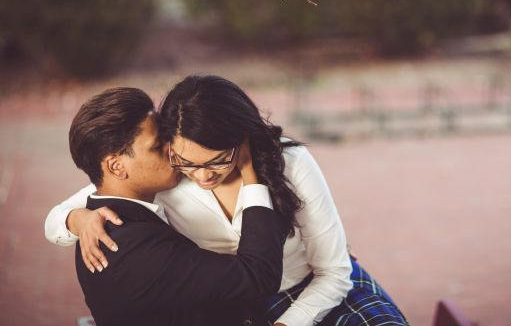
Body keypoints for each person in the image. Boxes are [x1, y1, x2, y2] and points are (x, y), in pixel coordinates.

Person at [45, 76, 409, 326]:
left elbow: (335, 271)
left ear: (242, 139)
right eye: (187, 161)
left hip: (324, 291)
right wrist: (77, 219)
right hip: (246, 304)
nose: (202, 176)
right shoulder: (167, 175)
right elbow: (86, 201)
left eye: (217, 160)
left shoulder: (291, 163)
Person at [58, 87, 287, 326]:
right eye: (158, 146)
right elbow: (259, 276)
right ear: (116, 167)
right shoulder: (136, 247)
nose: (173, 149)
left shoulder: (106, 217)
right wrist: (249, 169)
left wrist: (75, 218)